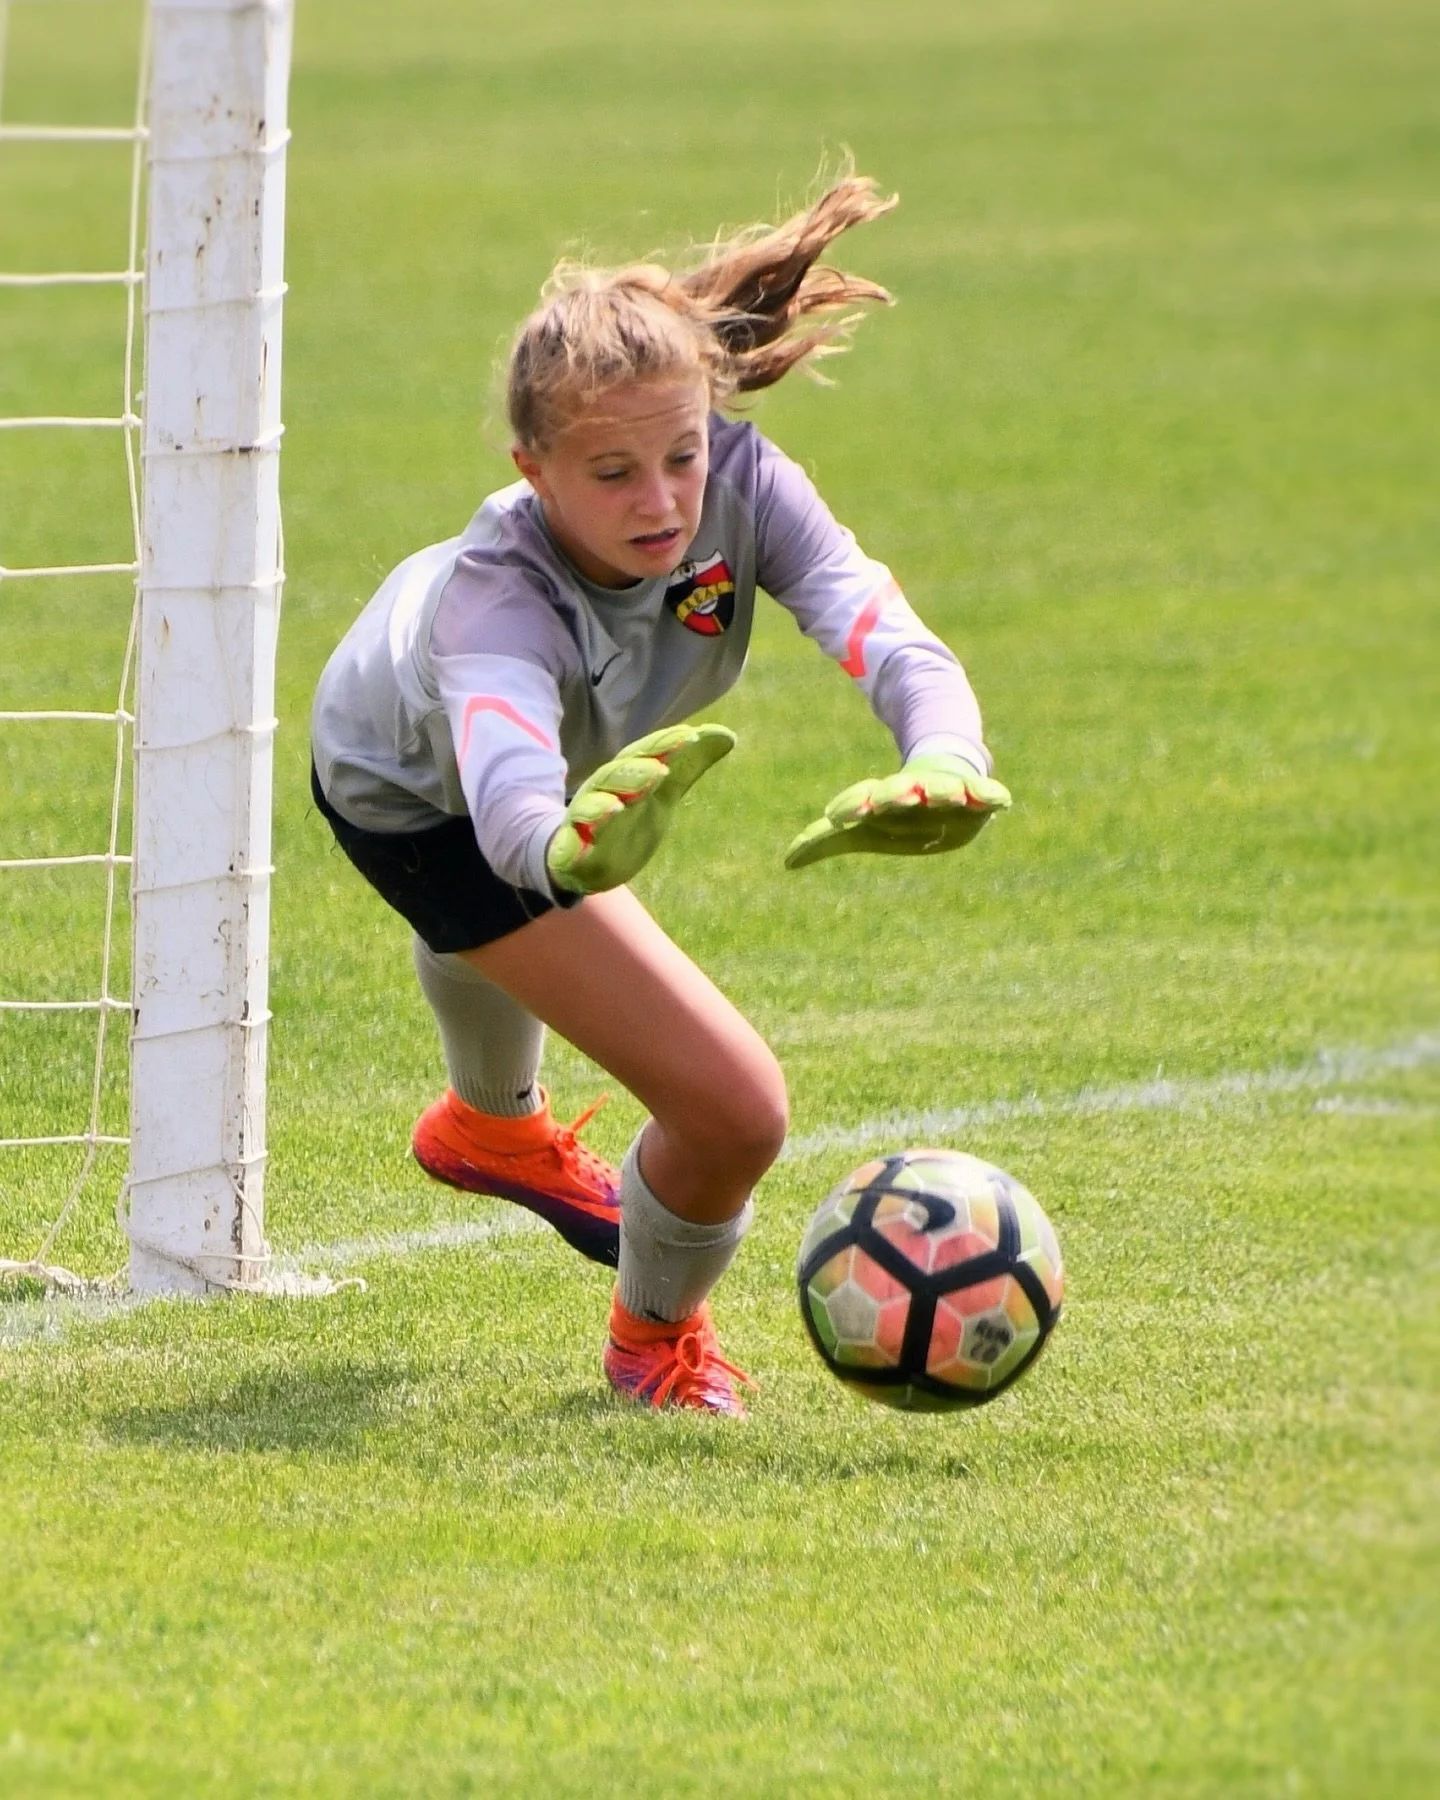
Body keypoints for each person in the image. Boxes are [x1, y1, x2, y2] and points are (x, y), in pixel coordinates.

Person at [310, 174, 1011, 1416]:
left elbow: (892, 639)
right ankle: (651, 1344)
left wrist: (944, 756)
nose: (664, 502)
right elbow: (514, 815)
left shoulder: (744, 483)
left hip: (512, 765)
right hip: (408, 787)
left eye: (681, 454)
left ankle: (489, 1128)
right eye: (614, 472)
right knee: (737, 1109)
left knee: (523, 947)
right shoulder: (497, 603)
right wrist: (574, 844)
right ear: (533, 471)